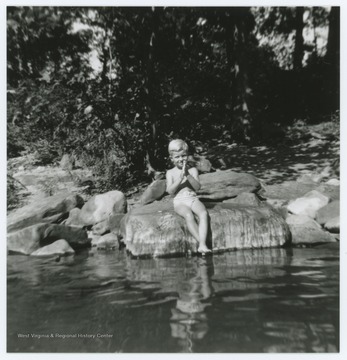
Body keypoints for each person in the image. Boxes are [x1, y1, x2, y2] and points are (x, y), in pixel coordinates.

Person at [166, 139, 211, 254]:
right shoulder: (170, 173)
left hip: (192, 198)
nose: (181, 159)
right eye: (177, 157)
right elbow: (170, 191)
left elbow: (197, 187)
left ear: (188, 156)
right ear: (171, 158)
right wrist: (180, 178)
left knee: (203, 213)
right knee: (188, 215)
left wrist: (188, 175)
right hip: (179, 201)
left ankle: (202, 245)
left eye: (183, 156)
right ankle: (202, 243)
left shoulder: (193, 170)